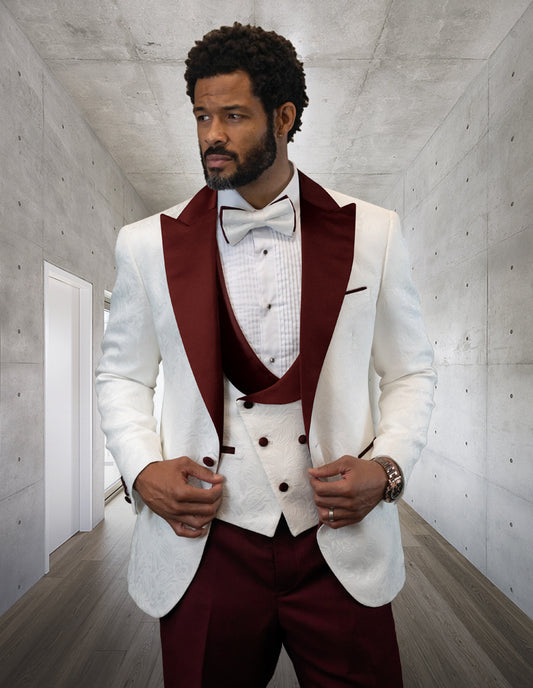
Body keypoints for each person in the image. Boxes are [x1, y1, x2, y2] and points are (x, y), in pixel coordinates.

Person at [96, 22, 435, 688]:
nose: (210, 135)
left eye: (232, 115)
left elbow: (410, 371)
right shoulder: (144, 245)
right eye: (200, 115)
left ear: (284, 117)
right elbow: (122, 374)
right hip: (205, 545)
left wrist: (389, 469)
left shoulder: (373, 231)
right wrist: (138, 471)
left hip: (341, 542)